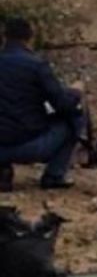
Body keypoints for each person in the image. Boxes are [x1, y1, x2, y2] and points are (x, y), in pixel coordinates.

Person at [0, 18, 87, 192]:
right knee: (76, 118)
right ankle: (54, 175)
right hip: (28, 145)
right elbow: (62, 105)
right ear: (30, 38)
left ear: (4, 37)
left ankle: (3, 172)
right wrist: (76, 93)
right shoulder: (36, 66)